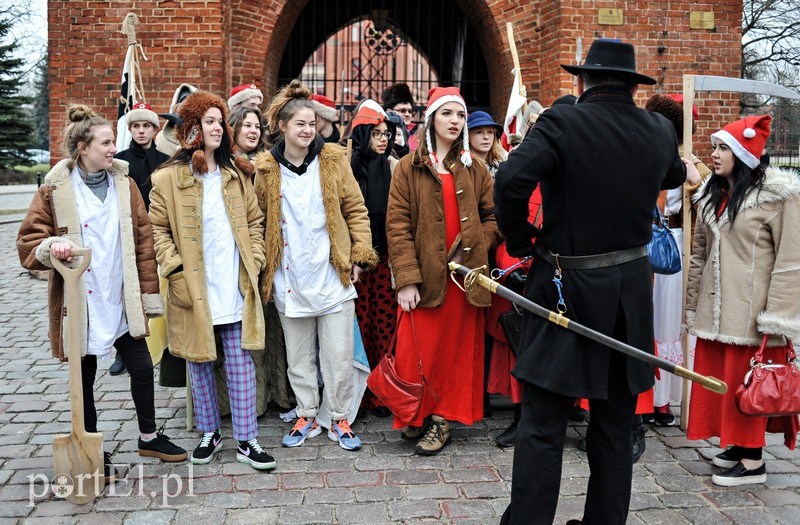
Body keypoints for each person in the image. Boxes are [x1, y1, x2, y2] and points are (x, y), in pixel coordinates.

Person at [493, 39, 693, 524]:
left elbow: (509, 181)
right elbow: (674, 173)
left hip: (567, 289)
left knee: (542, 424)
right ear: (630, 84)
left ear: (583, 81)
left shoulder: (564, 122)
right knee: (614, 424)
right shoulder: (659, 130)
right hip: (628, 292)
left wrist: (521, 241)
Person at [17, 104, 188, 482]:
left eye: (114, 141)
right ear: (83, 147)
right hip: (82, 302)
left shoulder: (124, 185)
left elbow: (143, 242)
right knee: (85, 376)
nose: (114, 148)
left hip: (120, 294)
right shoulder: (55, 190)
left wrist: (146, 296)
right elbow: (29, 243)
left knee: (142, 368)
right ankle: (92, 445)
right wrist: (53, 247)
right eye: (106, 142)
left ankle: (148, 436)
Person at [148, 91, 275, 471]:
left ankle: (247, 439)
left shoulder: (237, 174)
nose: (218, 127)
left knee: (240, 364)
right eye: (210, 121)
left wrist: (254, 258)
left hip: (234, 284)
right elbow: (158, 230)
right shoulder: (167, 178)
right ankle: (209, 432)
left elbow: (254, 223)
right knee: (199, 363)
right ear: (191, 129)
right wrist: (175, 270)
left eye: (220, 121)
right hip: (193, 287)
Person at [254, 80, 377, 451]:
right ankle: (307, 413)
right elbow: (259, 221)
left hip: (332, 273)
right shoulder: (265, 170)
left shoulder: (333, 161)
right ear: (283, 126)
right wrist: (265, 271)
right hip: (290, 275)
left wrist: (358, 254)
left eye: (312, 124)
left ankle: (337, 416)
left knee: (338, 355)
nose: (308, 131)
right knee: (299, 356)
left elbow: (355, 210)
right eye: (300, 124)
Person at [686, 114, 800, 487]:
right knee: (721, 381)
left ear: (743, 153)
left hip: (753, 314)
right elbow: (699, 255)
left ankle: (753, 463)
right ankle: (735, 446)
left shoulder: (778, 199)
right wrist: (692, 305)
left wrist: (778, 318)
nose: (714, 155)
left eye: (723, 148)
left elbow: (790, 261)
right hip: (715, 310)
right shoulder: (709, 195)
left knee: (748, 383)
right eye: (714, 147)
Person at [386, 86, 501, 456]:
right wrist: (406, 279)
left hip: (463, 277)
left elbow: (494, 218)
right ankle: (415, 412)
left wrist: (474, 240)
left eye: (460, 115)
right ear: (431, 118)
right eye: (447, 114)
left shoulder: (476, 168)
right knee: (416, 348)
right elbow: (397, 226)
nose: (455, 121)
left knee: (453, 351)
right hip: (425, 274)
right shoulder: (409, 166)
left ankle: (441, 421)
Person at [644, 94, 709, 426]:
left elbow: (712, 209)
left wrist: (696, 183)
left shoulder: (692, 162)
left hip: (678, 244)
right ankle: (651, 397)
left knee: (675, 322)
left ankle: (669, 397)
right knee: (653, 319)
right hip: (648, 239)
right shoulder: (647, 155)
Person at [108, 102, 171, 376]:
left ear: (155, 130)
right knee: (127, 289)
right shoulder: (119, 160)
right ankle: (123, 350)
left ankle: (156, 341)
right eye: (136, 126)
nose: (141, 131)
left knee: (154, 285)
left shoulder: (164, 160)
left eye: (146, 126)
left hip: (157, 231)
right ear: (130, 128)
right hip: (129, 231)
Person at [348, 101, 399, 417]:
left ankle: (382, 393)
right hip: (356, 264)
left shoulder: (393, 167)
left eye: (386, 134)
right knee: (358, 328)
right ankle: (359, 395)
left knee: (385, 326)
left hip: (385, 262)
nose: (383, 139)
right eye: (377, 133)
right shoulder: (348, 168)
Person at [467, 111, 506, 176]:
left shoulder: (503, 166)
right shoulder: (462, 167)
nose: (486, 137)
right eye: (479, 132)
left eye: (490, 132)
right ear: (467, 136)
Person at [382, 83, 418, 153]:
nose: (407, 114)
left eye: (410, 111)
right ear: (389, 111)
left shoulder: (417, 136)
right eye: (402, 111)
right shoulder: (382, 133)